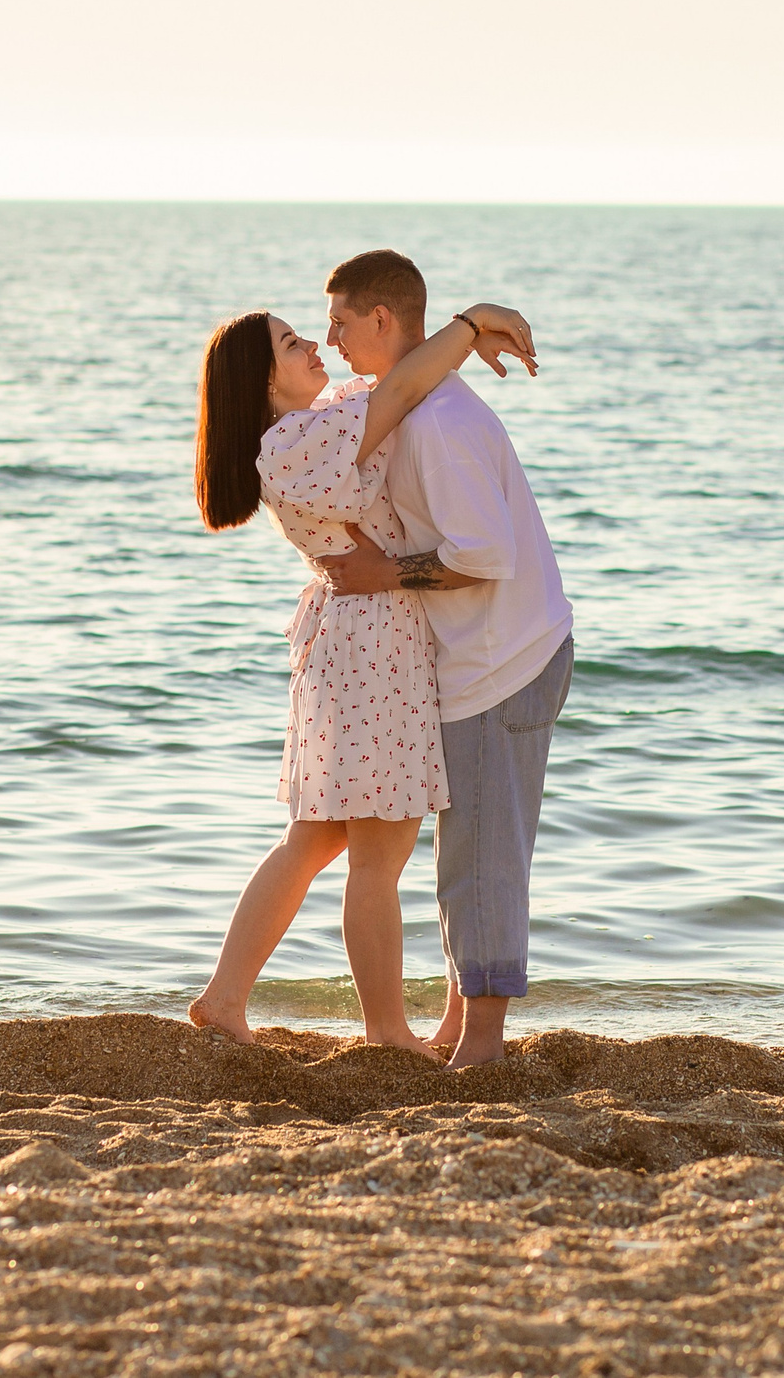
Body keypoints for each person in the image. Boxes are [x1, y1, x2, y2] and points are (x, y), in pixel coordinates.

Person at [186, 295, 538, 1058]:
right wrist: (471, 325)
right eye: (289, 342)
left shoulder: (315, 423)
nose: (313, 342)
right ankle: (384, 1030)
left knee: (314, 840)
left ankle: (224, 996)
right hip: (372, 642)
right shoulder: (292, 444)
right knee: (378, 853)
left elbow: (398, 381)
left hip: (361, 640)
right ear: (262, 380)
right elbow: (405, 389)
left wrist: (449, 341)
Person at [315, 250, 574, 1069]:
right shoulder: (419, 402)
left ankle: (485, 1046)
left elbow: (484, 553)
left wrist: (379, 575)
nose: (329, 339)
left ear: (383, 322)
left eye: (341, 322)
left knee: (483, 856)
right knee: (464, 854)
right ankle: (465, 1029)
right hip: (485, 656)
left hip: (507, 657)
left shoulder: (436, 428)